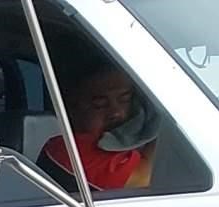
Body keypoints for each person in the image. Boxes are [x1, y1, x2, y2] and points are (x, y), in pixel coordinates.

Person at [42, 62, 158, 191]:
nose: (116, 112)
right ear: (72, 110)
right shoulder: (69, 150)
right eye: (100, 104)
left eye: (125, 99)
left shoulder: (125, 139)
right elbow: (147, 178)